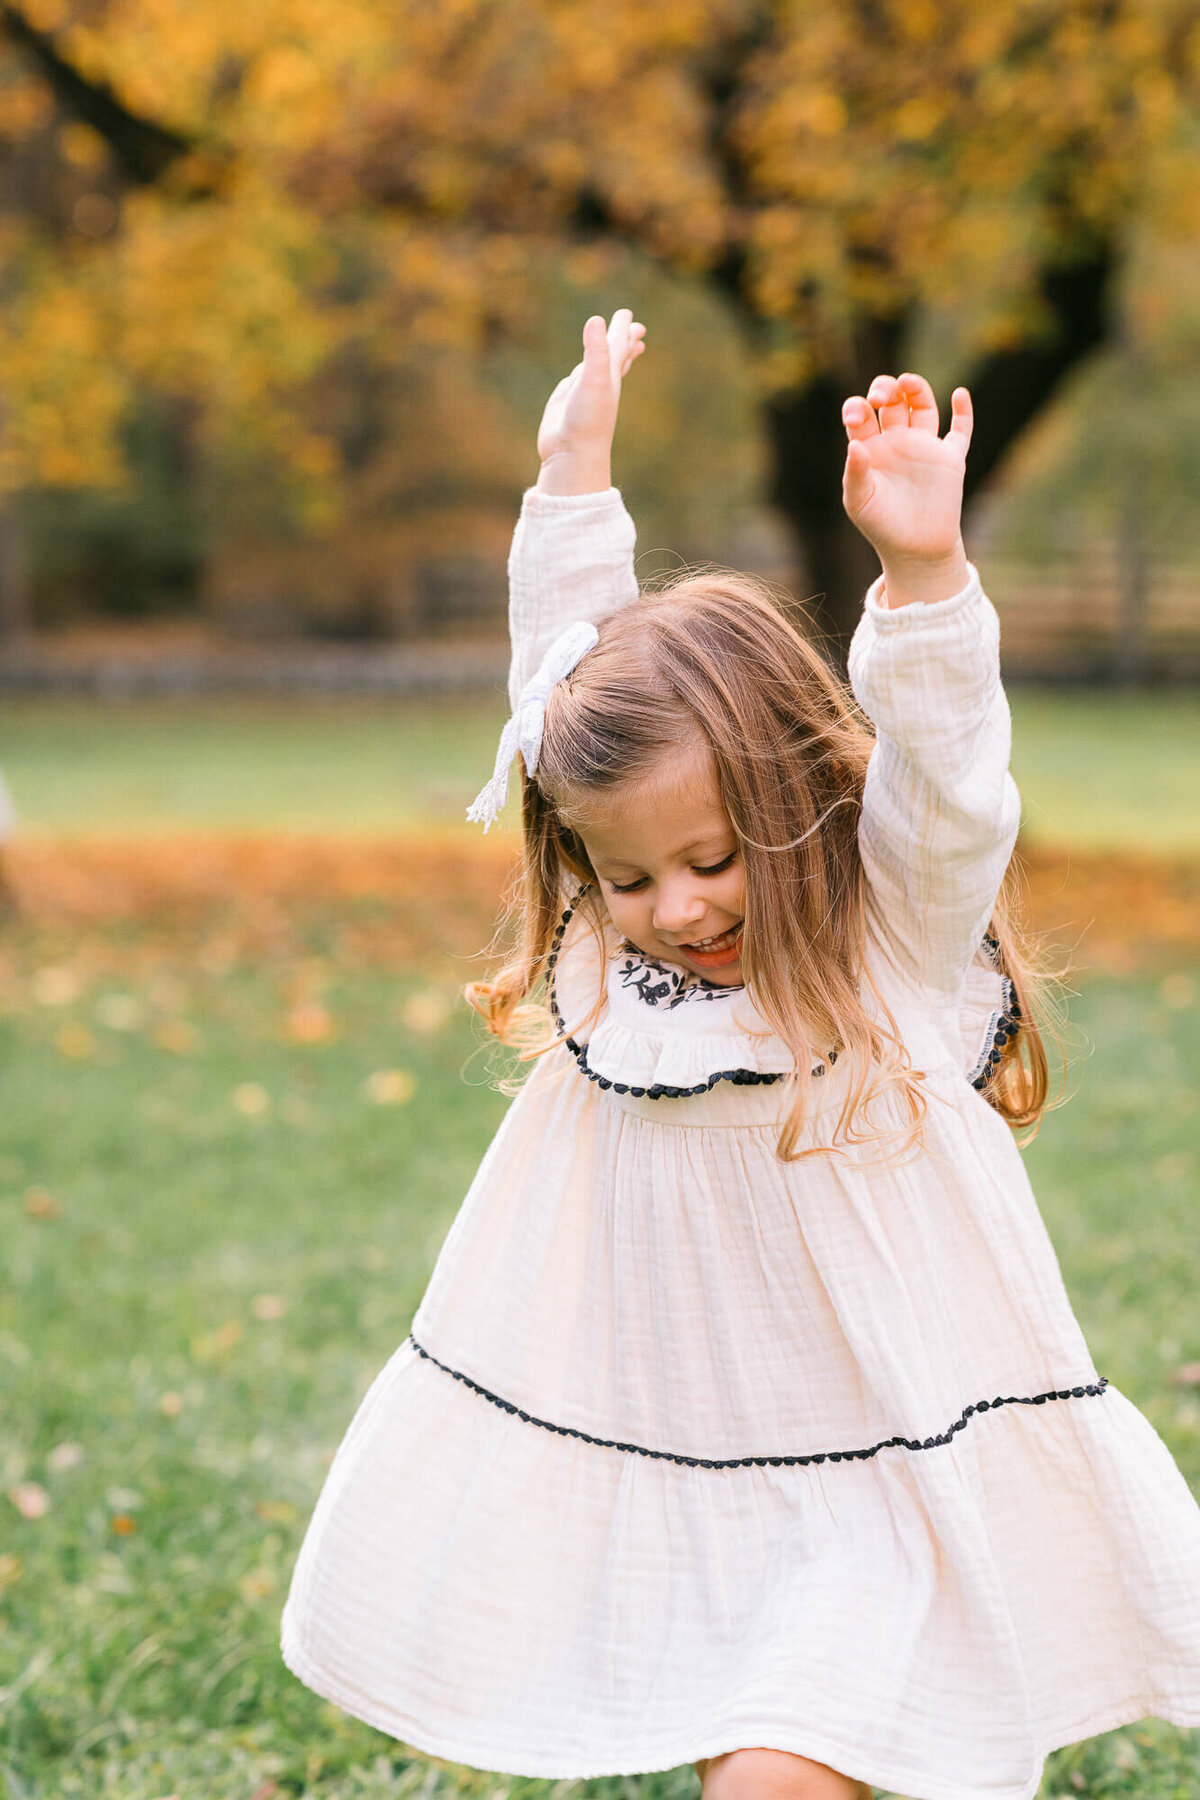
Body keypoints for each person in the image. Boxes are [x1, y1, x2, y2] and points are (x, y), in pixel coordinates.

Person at [282, 311, 1200, 1800]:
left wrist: (921, 578)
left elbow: (954, 787)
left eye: (713, 855)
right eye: (631, 875)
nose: (677, 906)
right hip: (690, 1454)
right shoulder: (615, 964)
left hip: (888, 1464)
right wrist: (570, 478)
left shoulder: (881, 926)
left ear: (790, 793)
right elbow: (555, 686)